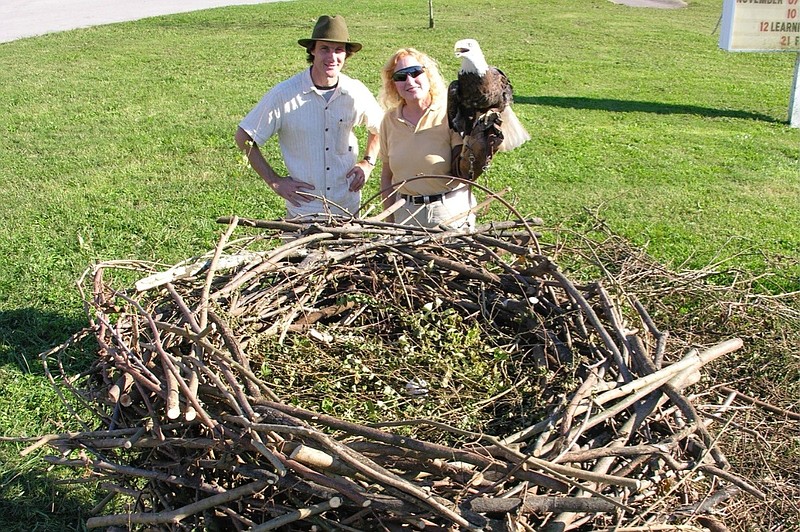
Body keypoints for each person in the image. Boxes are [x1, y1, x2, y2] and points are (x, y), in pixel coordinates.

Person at [235, 15, 382, 219]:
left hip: (347, 207)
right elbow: (244, 136)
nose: (332, 57)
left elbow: (381, 129)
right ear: (312, 50)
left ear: (346, 54)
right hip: (303, 210)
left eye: (339, 50)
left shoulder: (356, 91)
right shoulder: (284, 95)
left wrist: (368, 162)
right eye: (325, 49)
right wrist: (274, 181)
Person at [377, 48, 500, 230]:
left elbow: (466, 169)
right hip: (405, 213)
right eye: (401, 77)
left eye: (415, 72)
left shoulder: (449, 113)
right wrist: (390, 221)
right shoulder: (390, 120)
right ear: (393, 84)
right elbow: (387, 176)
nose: (409, 81)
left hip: (449, 211)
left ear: (428, 74)